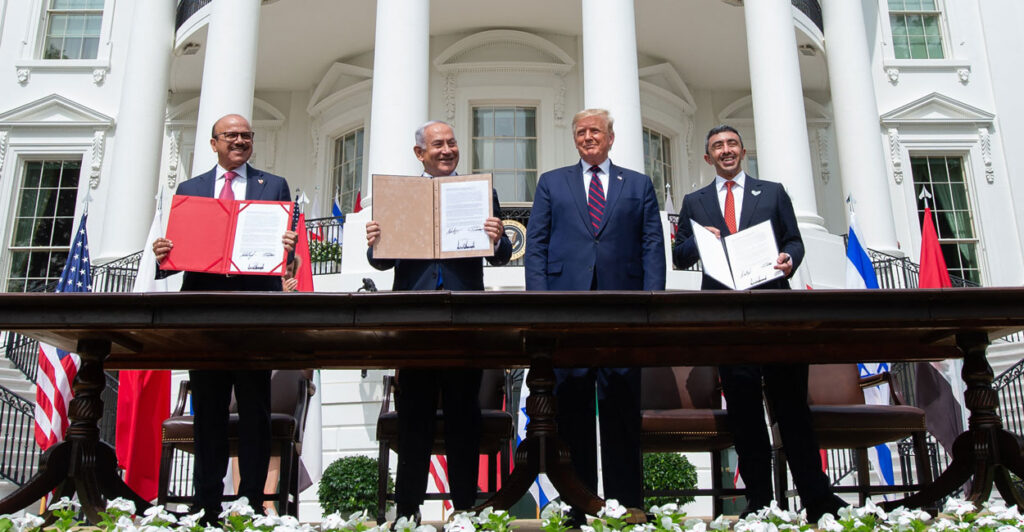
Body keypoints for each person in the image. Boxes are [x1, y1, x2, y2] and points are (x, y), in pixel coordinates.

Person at [672, 125, 845, 521]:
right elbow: (679, 255)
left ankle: (817, 499)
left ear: (743, 150)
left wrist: (790, 259)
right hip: (726, 321)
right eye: (717, 146)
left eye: (732, 144)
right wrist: (700, 241)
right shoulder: (695, 202)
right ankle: (761, 502)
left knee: (791, 408)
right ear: (707, 157)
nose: (726, 150)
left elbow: (794, 241)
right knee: (745, 414)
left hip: (774, 314)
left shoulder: (772, 192)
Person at [365, 120, 512, 522]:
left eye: (451, 143)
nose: (447, 150)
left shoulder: (481, 193)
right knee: (415, 420)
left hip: (465, 322)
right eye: (437, 145)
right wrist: (376, 240)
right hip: (415, 325)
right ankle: (408, 513)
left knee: (466, 417)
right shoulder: (400, 196)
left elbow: (498, 255)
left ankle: (465, 509)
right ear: (420, 153)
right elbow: (382, 261)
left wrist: (497, 236)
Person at [524, 108, 665, 525]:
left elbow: (651, 246)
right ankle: (579, 506)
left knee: (622, 409)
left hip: (622, 313)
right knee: (572, 413)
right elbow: (537, 246)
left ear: (610, 137)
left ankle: (625, 507)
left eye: (595, 131)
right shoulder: (552, 182)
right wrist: (540, 304)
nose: (588, 138)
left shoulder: (637, 185)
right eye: (581, 132)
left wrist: (651, 302)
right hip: (567, 313)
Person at [153, 114, 297, 521]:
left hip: (256, 313)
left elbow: (287, 255)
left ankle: (251, 502)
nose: (240, 141)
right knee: (210, 412)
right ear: (214, 142)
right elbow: (176, 260)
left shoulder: (275, 186)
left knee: (255, 410)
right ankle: (207, 505)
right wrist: (164, 256)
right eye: (231, 135)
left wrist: (288, 245)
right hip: (206, 314)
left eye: (246, 136)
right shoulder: (190, 189)